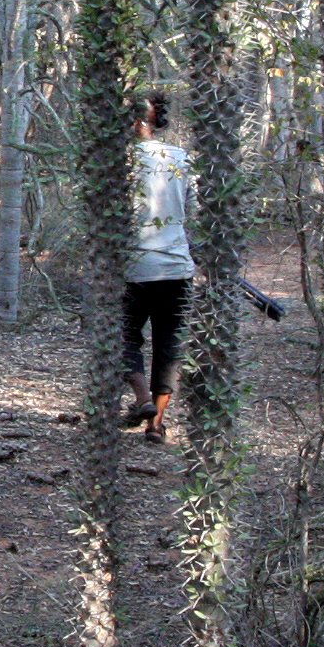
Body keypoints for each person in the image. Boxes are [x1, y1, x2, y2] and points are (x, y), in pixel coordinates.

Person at [123, 92, 194, 444]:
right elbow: (192, 210)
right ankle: (156, 423)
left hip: (133, 268)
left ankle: (142, 400)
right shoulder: (181, 158)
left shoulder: (121, 162)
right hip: (177, 266)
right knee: (169, 344)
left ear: (135, 121)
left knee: (122, 335)